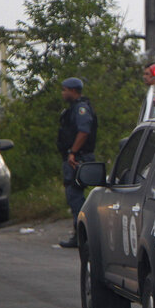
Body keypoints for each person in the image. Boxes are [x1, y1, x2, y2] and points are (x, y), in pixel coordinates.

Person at [56, 77, 98, 248]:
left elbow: (84, 132)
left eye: (65, 90)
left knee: (75, 195)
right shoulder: (73, 109)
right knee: (73, 194)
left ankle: (82, 235)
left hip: (78, 158)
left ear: (73, 91)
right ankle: (81, 234)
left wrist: (73, 152)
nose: (63, 93)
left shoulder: (81, 109)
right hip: (75, 157)